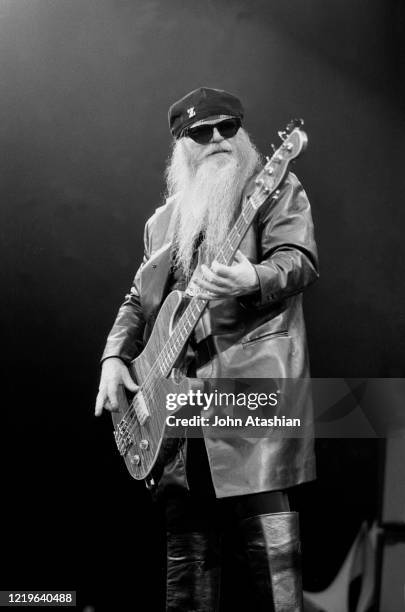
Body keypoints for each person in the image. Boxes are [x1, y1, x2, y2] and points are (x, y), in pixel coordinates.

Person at [95, 87, 319, 612]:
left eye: (228, 127)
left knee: (269, 549)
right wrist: (111, 358)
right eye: (202, 132)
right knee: (187, 551)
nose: (218, 138)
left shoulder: (274, 187)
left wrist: (252, 276)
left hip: (253, 389)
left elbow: (299, 260)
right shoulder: (162, 223)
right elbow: (137, 301)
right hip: (178, 404)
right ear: (182, 145)